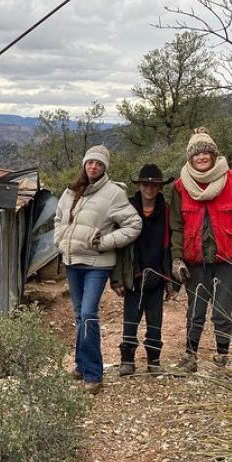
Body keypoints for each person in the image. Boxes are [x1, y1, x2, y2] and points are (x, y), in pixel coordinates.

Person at [55, 145, 142, 394]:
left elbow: (134, 224)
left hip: (97, 264)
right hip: (72, 261)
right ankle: (81, 366)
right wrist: (59, 240)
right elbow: (58, 218)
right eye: (90, 162)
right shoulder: (71, 191)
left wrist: (104, 243)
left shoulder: (113, 193)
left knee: (89, 315)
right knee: (79, 316)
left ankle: (94, 374)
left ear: (105, 168)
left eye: (99, 164)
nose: (93, 167)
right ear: (84, 164)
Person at [171, 127, 232, 372]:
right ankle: (190, 356)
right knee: (195, 310)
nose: (201, 158)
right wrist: (177, 259)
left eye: (206, 153)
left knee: (222, 310)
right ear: (190, 158)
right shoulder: (180, 186)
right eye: (196, 154)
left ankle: (222, 356)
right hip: (195, 259)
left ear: (213, 155)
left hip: (228, 259)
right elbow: (176, 225)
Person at [111, 164, 174, 376]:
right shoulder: (127, 208)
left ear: (160, 187)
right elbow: (118, 248)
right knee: (131, 318)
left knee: (155, 320)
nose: (149, 189)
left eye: (154, 185)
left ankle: (154, 360)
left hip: (157, 273)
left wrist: (172, 279)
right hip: (133, 274)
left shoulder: (166, 212)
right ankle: (127, 360)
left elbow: (172, 245)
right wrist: (116, 277)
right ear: (139, 185)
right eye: (145, 184)